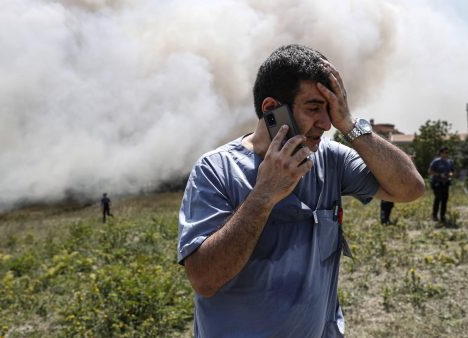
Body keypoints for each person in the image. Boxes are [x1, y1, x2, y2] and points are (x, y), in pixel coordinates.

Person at [177, 44, 424, 337]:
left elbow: (410, 188)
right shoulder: (216, 169)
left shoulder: (330, 159)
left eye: (330, 108)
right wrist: (264, 194)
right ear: (272, 110)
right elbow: (204, 279)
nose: (326, 122)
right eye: (313, 108)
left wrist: (350, 124)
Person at [429, 147, 454, 222]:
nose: (446, 154)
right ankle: (434, 215)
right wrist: (439, 175)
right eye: (445, 152)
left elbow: (452, 171)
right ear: (441, 153)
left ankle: (442, 216)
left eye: (447, 152)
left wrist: (451, 174)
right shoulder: (436, 161)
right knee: (438, 198)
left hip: (445, 183)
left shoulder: (450, 162)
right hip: (437, 182)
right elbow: (430, 171)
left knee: (444, 200)